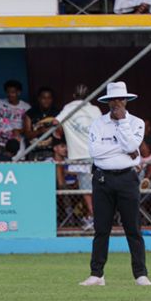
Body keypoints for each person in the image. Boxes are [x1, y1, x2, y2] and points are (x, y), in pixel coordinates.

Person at [81, 81, 151, 287]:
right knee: (101, 228)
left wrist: (122, 125)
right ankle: (97, 274)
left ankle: (140, 274)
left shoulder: (136, 122)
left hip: (127, 179)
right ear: (107, 102)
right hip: (103, 178)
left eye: (120, 99)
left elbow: (131, 145)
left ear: (126, 101)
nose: (116, 103)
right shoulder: (97, 123)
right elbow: (95, 153)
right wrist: (124, 150)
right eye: (113, 99)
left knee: (133, 228)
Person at [54, 83, 102, 229]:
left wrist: (60, 131)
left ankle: (94, 218)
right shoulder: (95, 109)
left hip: (79, 154)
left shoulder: (69, 108)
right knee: (96, 188)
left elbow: (56, 122)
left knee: (86, 190)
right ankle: (94, 217)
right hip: (96, 153)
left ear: (74, 95)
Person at [23, 87, 58, 160]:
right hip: (34, 151)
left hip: (52, 152)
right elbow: (27, 135)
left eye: (49, 98)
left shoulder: (57, 113)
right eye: (44, 98)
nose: (46, 101)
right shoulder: (30, 113)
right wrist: (40, 131)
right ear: (39, 99)